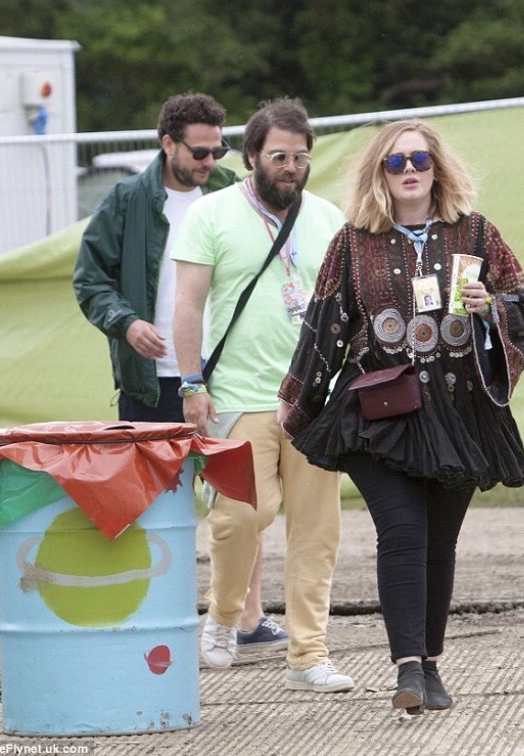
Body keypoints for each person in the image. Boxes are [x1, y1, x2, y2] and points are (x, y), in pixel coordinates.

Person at [277, 118, 524, 713]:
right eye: (396, 163)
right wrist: (297, 407)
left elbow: (520, 303)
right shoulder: (352, 242)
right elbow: (325, 328)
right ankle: (407, 670)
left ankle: (433, 665)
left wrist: (490, 308)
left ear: (437, 168)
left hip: (460, 413)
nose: (410, 171)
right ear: (379, 174)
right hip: (378, 414)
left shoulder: (476, 233)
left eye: (420, 160)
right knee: (402, 533)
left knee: (439, 543)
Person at [72, 92, 286, 653]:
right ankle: (152, 615)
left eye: (218, 151)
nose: (208, 162)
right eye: (198, 150)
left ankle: (247, 619)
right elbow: (89, 280)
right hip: (150, 380)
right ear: (166, 143)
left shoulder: (232, 198)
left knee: (240, 501)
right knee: (152, 506)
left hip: (224, 377)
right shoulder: (124, 201)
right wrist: (125, 323)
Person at [171, 97, 354, 693]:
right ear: (251, 156)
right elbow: (187, 304)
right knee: (243, 515)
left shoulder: (329, 218)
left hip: (314, 398)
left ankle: (308, 654)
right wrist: (192, 382)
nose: (290, 167)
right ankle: (224, 615)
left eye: (300, 157)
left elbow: (348, 308)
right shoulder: (212, 214)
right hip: (240, 394)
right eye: (278, 156)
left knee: (317, 531)